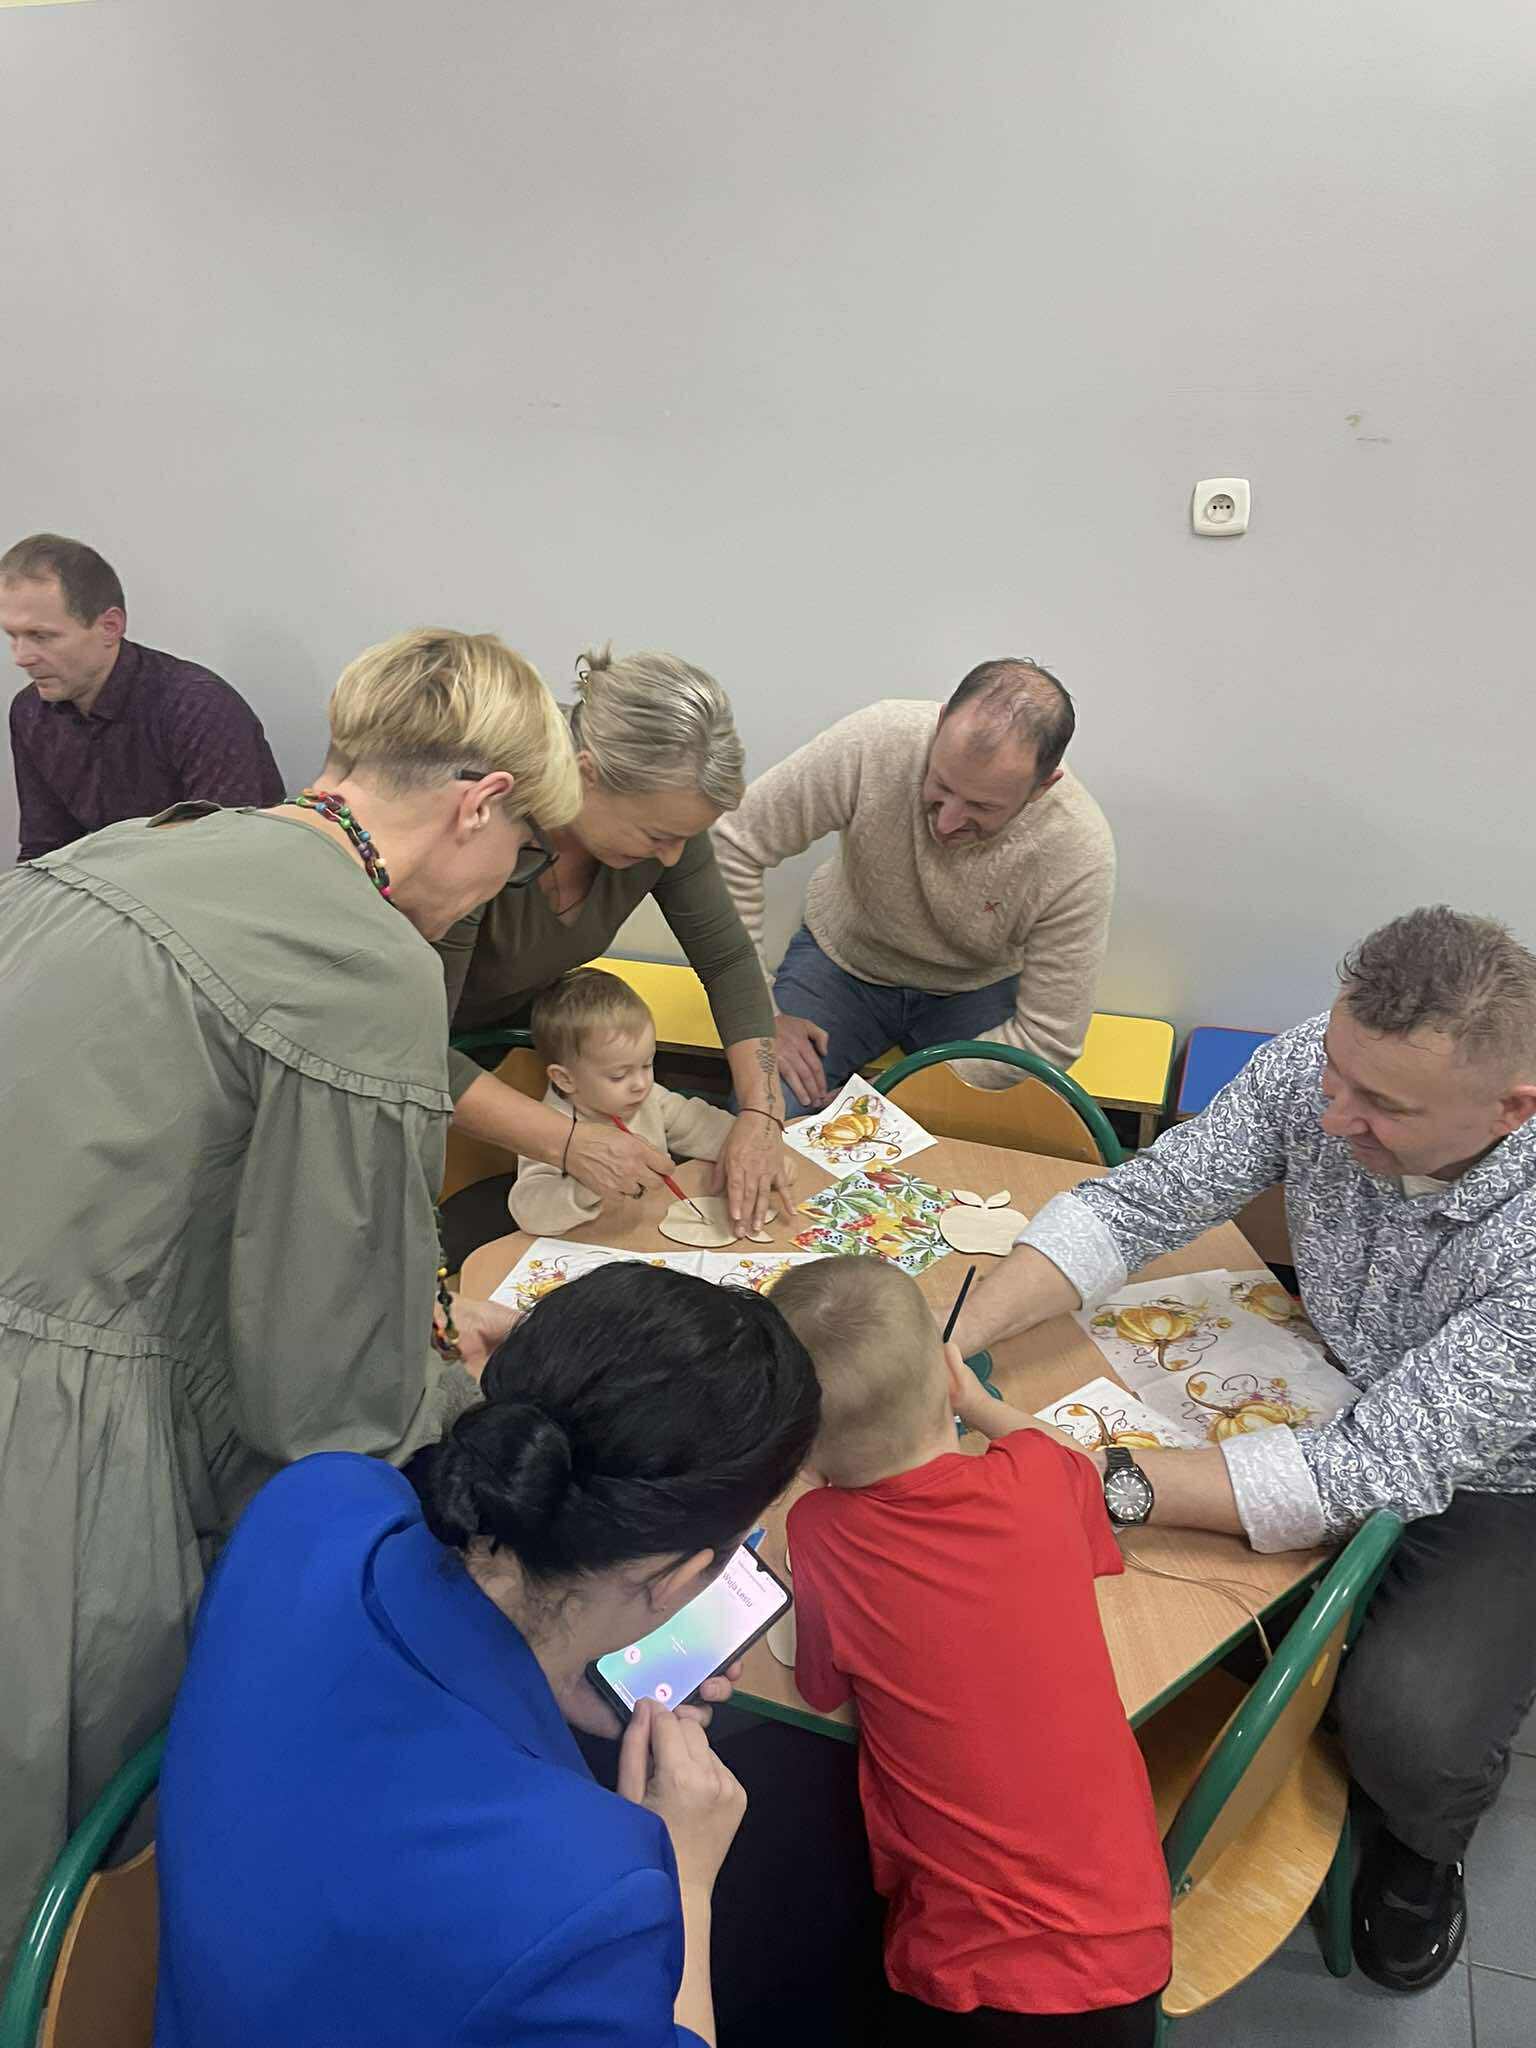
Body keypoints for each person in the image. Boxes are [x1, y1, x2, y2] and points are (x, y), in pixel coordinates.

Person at [0, 626, 577, 1975]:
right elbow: (324, 1401)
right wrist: (449, 1386)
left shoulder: (130, 849)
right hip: (56, 1455)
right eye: (522, 851)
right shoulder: (364, 959)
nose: (500, 887)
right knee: (73, 1870)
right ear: (481, 803)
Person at [952, 906, 1536, 1997]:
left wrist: (1096, 1474)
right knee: (1154, 1615)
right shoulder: (1330, 1065)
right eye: (1336, 1074)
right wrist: (951, 1338)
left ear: (1512, 1108)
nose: (1334, 1112)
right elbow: (1143, 1201)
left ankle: (1422, 1843)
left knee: (1410, 1723)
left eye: (1384, 1107)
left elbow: (1372, 1469)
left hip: (1498, 1477)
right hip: (1335, 1375)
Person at [153, 1264, 822, 2047]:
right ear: (671, 1578)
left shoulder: (320, 1497)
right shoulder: (594, 1893)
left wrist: (553, 1677)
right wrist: (687, 1876)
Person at [771, 1257, 1170, 2045]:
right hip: (1130, 1941)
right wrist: (983, 1405)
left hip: (966, 1975)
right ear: (950, 1375)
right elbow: (1065, 1459)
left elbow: (820, 1690)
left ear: (802, 1457)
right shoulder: (1041, 1478)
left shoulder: (819, 1531)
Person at [439, 645, 791, 1247]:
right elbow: (408, 1047)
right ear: (587, 774)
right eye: (658, 835)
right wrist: (568, 1143)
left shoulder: (664, 825)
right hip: (401, 1051)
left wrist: (762, 1113)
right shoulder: (480, 826)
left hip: (511, 1039)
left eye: (684, 839)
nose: (672, 859)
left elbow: (729, 961)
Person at [711, 659, 1116, 1118]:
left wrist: (891, 1099)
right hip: (842, 964)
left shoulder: (1077, 847)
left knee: (986, 1139)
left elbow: (1048, 1038)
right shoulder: (876, 740)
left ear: (1042, 787)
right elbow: (733, 842)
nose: (947, 823)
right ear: (940, 724)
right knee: (764, 1111)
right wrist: (761, 1015)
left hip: (975, 988)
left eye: (981, 806)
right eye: (941, 784)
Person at [2, 531, 284, 859]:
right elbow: (46, 848)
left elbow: (225, 855)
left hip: (220, 880)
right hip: (120, 882)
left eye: (41, 636)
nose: (21, 657)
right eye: (12, 636)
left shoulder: (197, 706)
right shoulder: (31, 711)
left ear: (110, 627)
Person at [511, 967, 738, 1235]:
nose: (641, 1084)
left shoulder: (650, 1098)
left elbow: (707, 1127)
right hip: (591, 1245)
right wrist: (589, 1185)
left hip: (648, 1233)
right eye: (619, 1075)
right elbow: (528, 1212)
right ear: (565, 1079)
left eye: (647, 1064)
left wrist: (756, 1143)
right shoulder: (547, 1128)